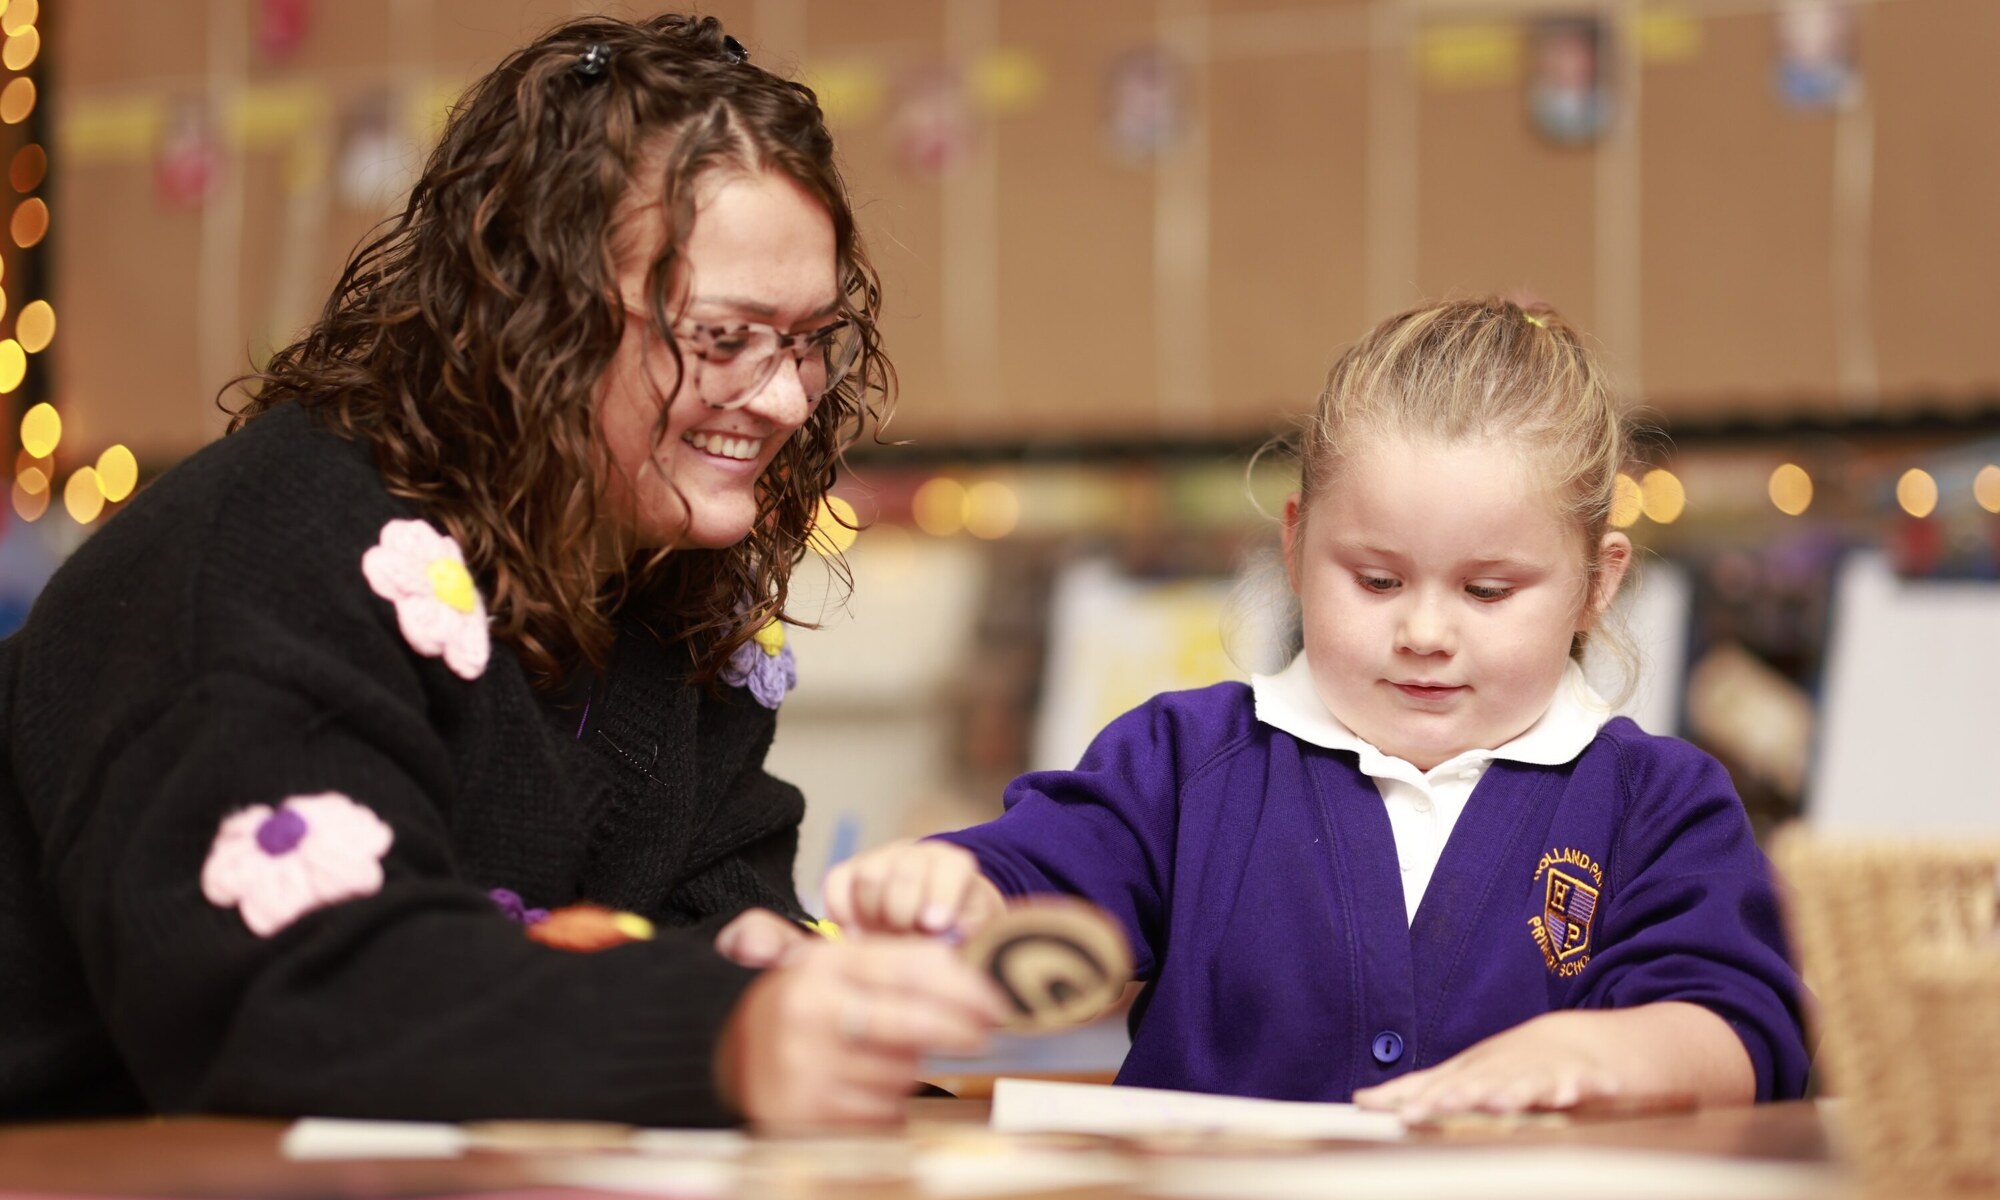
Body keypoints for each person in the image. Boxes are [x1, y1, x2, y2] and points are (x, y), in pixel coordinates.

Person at [0, 14, 1006, 1127]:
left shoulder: (665, 614)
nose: (785, 398)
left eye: (812, 338)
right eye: (723, 339)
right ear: (539, 307)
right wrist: (719, 1028)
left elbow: (714, 940)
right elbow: (291, 992)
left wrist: (812, 1009)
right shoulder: (264, 545)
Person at [826, 298, 1811, 1119]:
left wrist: (1601, 1054)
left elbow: (1740, 1030)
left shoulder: (1657, 800)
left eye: (1486, 592)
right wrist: (948, 891)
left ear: (1595, 584)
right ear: (1295, 548)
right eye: (1376, 581)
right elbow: (1034, 876)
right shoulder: (1187, 759)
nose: (1424, 632)